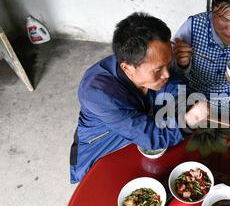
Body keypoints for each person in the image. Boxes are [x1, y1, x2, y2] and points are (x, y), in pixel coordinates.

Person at [69, 12, 208, 183]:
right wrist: (187, 121)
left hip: (139, 134)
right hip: (105, 148)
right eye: (158, 70)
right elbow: (147, 134)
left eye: (168, 64)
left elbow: (173, 85)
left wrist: (185, 104)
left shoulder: (153, 60)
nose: (166, 74)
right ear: (127, 68)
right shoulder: (97, 93)